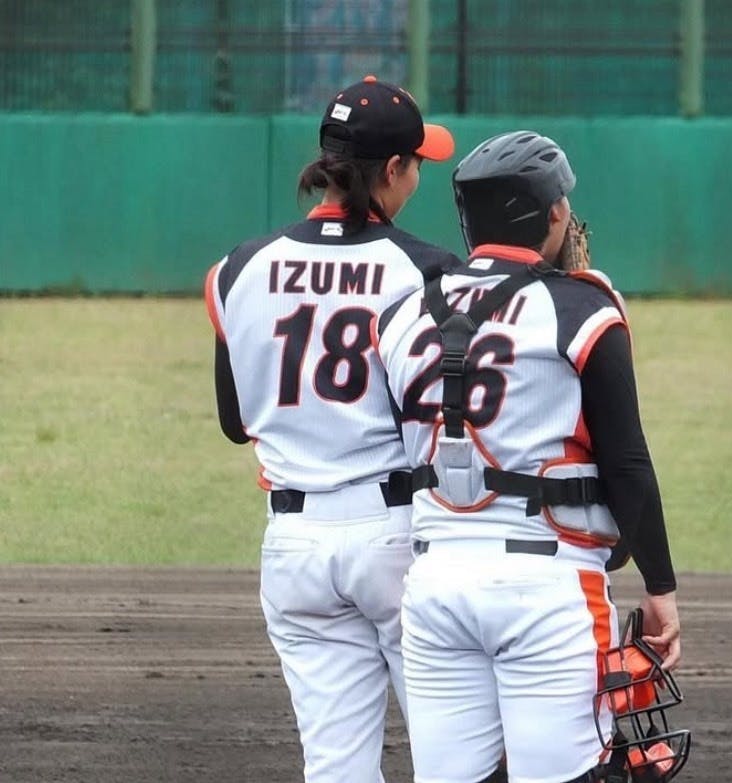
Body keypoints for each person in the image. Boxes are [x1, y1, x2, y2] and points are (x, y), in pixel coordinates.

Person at [372, 130, 682, 783]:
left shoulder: (400, 315)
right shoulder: (582, 306)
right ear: (552, 213)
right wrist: (660, 587)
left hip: (434, 587)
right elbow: (626, 461)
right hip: (547, 589)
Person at [204, 75, 459, 783]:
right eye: (416, 163)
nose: (418, 177)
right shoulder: (428, 272)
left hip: (294, 547)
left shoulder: (238, 268)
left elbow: (234, 422)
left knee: (336, 767)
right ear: (392, 169)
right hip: (398, 534)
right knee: (456, 756)